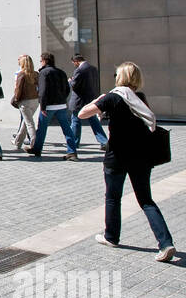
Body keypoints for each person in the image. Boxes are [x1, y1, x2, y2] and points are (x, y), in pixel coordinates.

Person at [79, 61, 176, 262]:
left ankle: (111, 236)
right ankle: (165, 243)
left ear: (120, 78)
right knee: (146, 200)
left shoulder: (113, 98)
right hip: (141, 157)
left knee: (113, 198)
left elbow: (82, 114)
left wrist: (98, 101)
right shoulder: (140, 98)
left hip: (116, 158)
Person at [29, 51, 78, 160]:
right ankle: (72, 151)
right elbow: (67, 89)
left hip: (49, 106)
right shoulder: (61, 72)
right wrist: (62, 99)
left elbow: (43, 91)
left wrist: (43, 106)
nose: (40, 62)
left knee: (42, 128)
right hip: (61, 105)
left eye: (41, 60)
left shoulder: (44, 73)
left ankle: (37, 149)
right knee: (67, 129)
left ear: (45, 60)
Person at [68, 54, 109, 150]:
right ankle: (104, 141)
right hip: (90, 99)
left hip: (79, 100)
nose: (74, 65)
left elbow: (74, 85)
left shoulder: (79, 70)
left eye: (74, 63)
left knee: (75, 120)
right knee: (94, 121)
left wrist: (70, 81)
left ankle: (74, 142)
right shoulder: (93, 69)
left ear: (76, 61)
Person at [11, 54, 40, 151]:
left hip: (25, 102)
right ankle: (17, 142)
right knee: (26, 122)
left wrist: (16, 100)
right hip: (35, 101)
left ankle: (35, 144)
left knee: (29, 124)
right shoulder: (36, 74)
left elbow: (18, 89)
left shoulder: (22, 74)